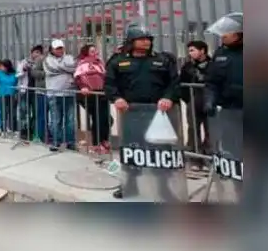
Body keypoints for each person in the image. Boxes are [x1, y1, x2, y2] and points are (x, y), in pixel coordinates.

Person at [104, 24, 181, 199]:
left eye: (148, 39)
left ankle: (163, 187)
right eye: (142, 39)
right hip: (131, 113)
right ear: (131, 41)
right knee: (132, 149)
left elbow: (174, 83)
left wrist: (169, 97)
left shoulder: (163, 60)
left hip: (158, 114)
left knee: (161, 151)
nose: (146, 42)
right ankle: (130, 184)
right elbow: (109, 84)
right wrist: (117, 98)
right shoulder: (117, 61)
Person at [204, 13, 243, 114]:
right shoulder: (220, 53)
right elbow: (212, 81)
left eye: (228, 32)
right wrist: (210, 100)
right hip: (228, 108)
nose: (223, 35)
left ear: (238, 35)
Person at [179, 40, 212, 160]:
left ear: (202, 50)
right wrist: (188, 100)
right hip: (193, 100)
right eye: (189, 51)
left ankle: (208, 155)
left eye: (192, 50)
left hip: (210, 101)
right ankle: (195, 158)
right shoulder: (187, 67)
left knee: (211, 130)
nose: (190, 53)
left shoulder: (213, 65)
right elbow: (181, 84)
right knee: (193, 129)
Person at [44, 39, 78, 151]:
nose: (60, 50)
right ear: (52, 49)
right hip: (54, 94)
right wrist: (67, 69)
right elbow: (50, 70)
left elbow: (74, 68)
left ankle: (71, 142)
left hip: (69, 93)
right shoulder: (47, 60)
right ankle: (55, 142)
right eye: (57, 48)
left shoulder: (69, 58)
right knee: (55, 120)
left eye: (61, 48)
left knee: (70, 120)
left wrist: (63, 67)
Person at [74, 44, 109, 153]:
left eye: (96, 51)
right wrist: (83, 87)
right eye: (92, 51)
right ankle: (96, 143)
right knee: (97, 118)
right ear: (87, 53)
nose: (96, 53)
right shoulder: (82, 64)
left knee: (106, 118)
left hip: (102, 93)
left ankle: (104, 140)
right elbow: (78, 77)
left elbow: (105, 76)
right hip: (90, 94)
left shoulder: (100, 63)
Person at [17, 45, 47, 142]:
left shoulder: (42, 63)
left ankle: (32, 131)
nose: (37, 54)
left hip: (36, 91)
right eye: (36, 52)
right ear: (31, 52)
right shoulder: (24, 62)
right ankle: (24, 131)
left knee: (35, 112)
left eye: (39, 53)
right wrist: (24, 71)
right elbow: (17, 74)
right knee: (23, 112)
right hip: (25, 91)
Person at [0, 59, 18, 136]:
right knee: (3, 113)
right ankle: (3, 130)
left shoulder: (14, 73)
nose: (1, 67)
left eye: (2, 66)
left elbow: (16, 81)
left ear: (7, 67)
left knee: (12, 113)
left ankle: (13, 129)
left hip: (12, 95)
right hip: (2, 95)